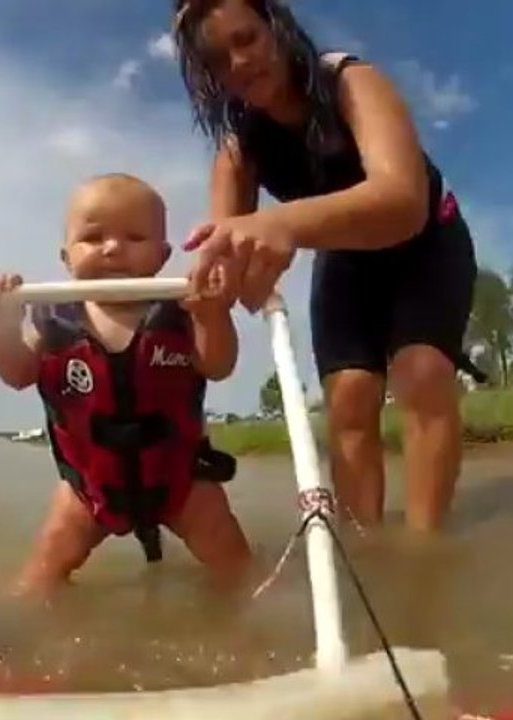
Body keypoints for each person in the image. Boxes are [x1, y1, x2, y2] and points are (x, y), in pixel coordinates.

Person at [170, 0, 480, 533]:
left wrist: (282, 224)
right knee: (349, 399)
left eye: (247, 39)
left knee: (422, 373)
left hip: (428, 240)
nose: (239, 63)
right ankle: (367, 550)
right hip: (347, 258)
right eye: (218, 59)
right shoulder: (238, 150)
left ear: (277, 27)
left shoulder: (349, 80)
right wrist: (223, 283)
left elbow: (402, 202)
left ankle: (427, 552)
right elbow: (228, 252)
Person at [0, 172, 253, 597]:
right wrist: (1, 324)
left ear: (162, 255)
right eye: (93, 237)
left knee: (239, 569)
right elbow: (17, 373)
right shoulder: (54, 321)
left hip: (181, 481)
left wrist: (213, 317)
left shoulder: (183, 310)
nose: (112, 248)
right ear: (66, 257)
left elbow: (217, 366)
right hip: (88, 488)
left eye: (134, 237)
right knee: (37, 581)